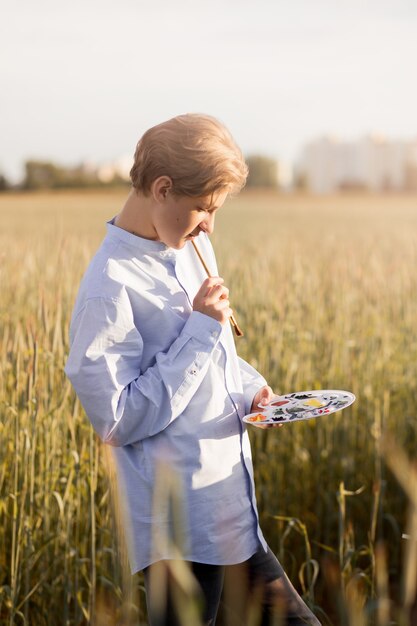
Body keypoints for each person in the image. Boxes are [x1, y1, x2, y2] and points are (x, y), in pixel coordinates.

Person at [65, 113, 320, 626]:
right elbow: (116, 420)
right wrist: (202, 329)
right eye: (203, 207)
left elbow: (208, 360)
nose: (210, 224)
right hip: (180, 532)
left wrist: (250, 390)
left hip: (229, 510)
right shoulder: (107, 287)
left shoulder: (190, 246)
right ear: (162, 189)